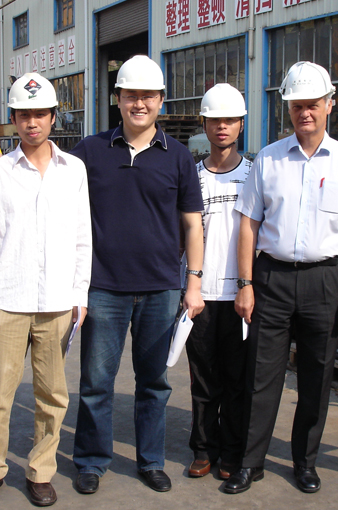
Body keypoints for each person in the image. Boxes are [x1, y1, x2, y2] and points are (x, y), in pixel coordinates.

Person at [227, 61, 338, 495]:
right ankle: (250, 462)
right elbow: (248, 224)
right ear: (287, 109)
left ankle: (305, 463)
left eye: (312, 104)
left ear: (330, 104)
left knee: (317, 375)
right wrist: (245, 284)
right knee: (261, 375)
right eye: (296, 106)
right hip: (271, 278)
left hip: (324, 281)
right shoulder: (268, 159)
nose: (304, 113)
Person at [70, 55, 204, 494]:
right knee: (96, 383)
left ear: (161, 101)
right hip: (103, 288)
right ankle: (91, 461)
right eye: (131, 96)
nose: (139, 104)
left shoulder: (179, 157)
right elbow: (46, 171)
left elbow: (192, 224)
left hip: (160, 289)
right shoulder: (91, 151)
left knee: (153, 384)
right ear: (118, 99)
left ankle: (150, 460)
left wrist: (193, 283)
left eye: (147, 96)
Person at [0, 73, 92, 507]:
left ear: (54, 117)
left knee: (52, 395)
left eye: (40, 114)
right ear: (13, 120)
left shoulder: (73, 170)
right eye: (24, 115)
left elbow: (82, 237)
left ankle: (40, 471)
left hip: (57, 301)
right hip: (7, 300)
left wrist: (80, 296)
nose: (32, 122)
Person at [183, 83, 251, 480]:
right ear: (204, 124)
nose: (222, 127)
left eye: (230, 120)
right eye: (214, 120)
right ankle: (203, 448)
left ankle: (232, 451)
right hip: (202, 295)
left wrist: (249, 284)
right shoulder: (192, 177)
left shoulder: (254, 174)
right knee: (203, 378)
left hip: (240, 295)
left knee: (237, 379)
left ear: (241, 124)